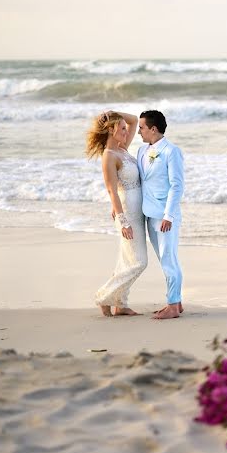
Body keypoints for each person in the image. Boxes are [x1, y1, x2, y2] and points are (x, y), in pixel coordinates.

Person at [87, 111, 146, 317]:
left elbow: (133, 120)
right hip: (127, 213)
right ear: (111, 131)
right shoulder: (109, 156)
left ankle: (121, 304)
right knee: (139, 261)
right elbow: (112, 190)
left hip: (138, 211)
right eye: (120, 128)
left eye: (123, 128)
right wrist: (123, 222)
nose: (126, 131)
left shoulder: (122, 148)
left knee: (127, 259)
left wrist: (114, 114)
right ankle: (104, 296)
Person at [137, 110, 185, 320]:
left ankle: (172, 305)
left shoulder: (171, 151)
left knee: (169, 259)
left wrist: (169, 216)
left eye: (141, 128)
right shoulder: (140, 151)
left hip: (165, 217)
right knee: (163, 259)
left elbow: (177, 185)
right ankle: (177, 302)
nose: (138, 131)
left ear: (153, 129)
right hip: (148, 213)